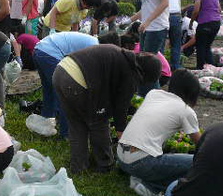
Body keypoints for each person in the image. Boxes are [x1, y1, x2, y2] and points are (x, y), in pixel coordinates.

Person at [52, 44, 161, 174]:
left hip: (60, 72)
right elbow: (121, 108)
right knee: (99, 121)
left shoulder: (124, 56)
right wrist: (123, 138)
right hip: (76, 81)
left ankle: (78, 167)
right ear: (144, 73)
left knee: (77, 124)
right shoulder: (131, 72)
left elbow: (115, 97)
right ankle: (105, 165)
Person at [117, 69, 201, 196]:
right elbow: (201, 146)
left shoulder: (153, 94)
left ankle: (139, 176)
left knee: (161, 153)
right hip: (141, 163)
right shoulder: (186, 111)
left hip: (121, 156)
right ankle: (152, 187)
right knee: (198, 162)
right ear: (192, 93)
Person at [33, 32, 100, 139]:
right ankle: (66, 133)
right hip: (50, 53)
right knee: (64, 94)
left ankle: (46, 122)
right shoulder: (95, 47)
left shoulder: (92, 41)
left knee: (49, 90)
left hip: (39, 50)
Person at [190, 0, 222, 69]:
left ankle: (200, 68)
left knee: (200, 46)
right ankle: (211, 67)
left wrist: (191, 22)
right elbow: (219, 9)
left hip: (205, 23)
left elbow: (196, 10)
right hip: (216, 23)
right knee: (207, 46)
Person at [168, 0, 183, 70]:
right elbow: (179, 6)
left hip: (165, 15)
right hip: (176, 16)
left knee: (161, 43)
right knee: (176, 43)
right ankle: (176, 66)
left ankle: (163, 67)